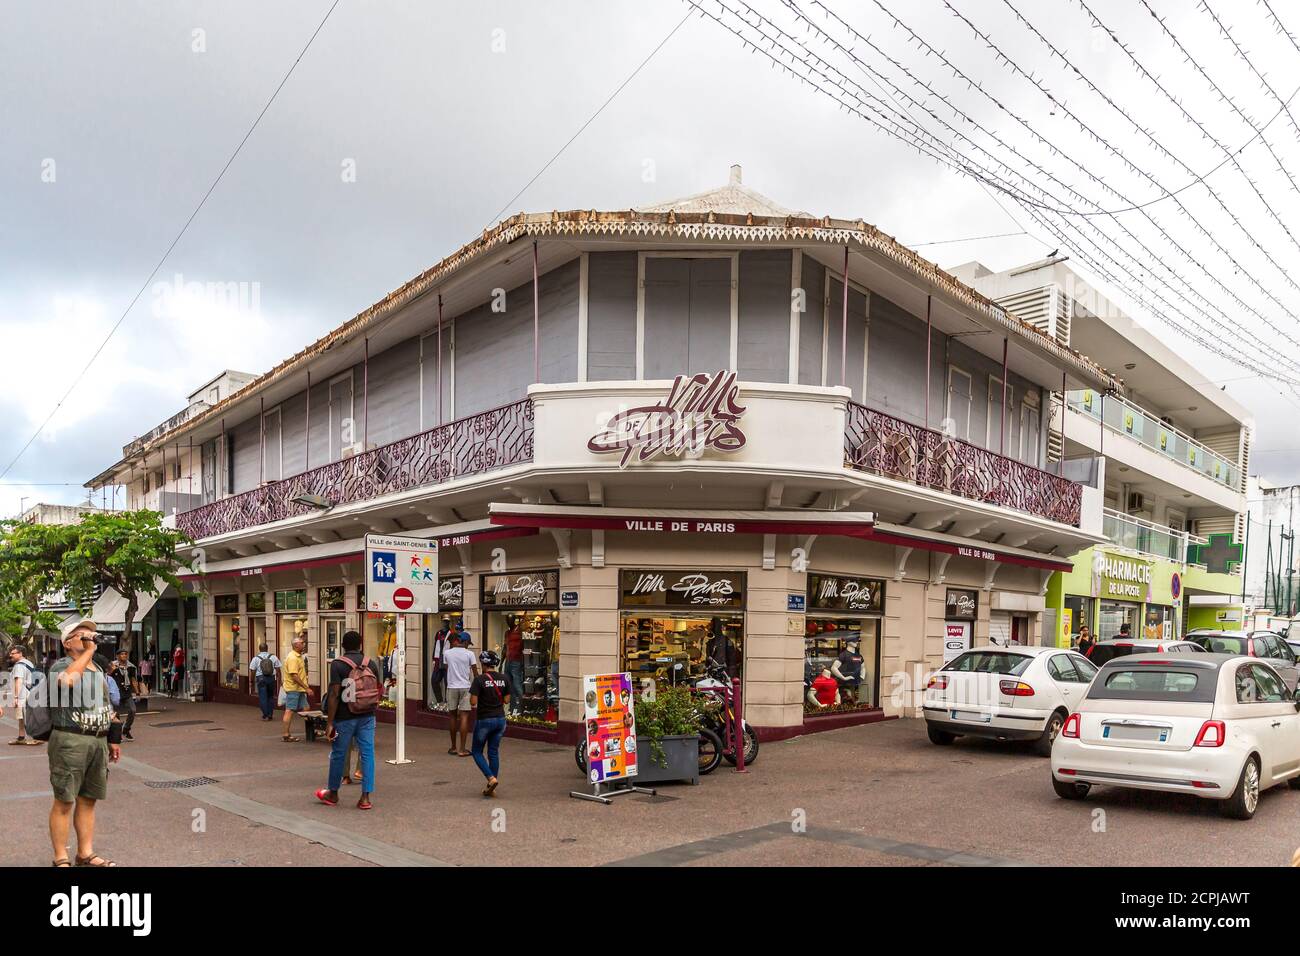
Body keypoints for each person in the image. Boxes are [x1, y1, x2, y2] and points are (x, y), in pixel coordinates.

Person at [47, 618, 119, 867]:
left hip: (96, 740)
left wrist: (113, 738)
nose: (90, 638)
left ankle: (85, 854)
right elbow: (68, 682)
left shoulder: (97, 670)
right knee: (65, 800)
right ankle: (60, 857)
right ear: (68, 643)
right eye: (83, 635)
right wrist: (89, 652)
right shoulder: (60, 666)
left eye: (92, 634)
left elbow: (106, 705)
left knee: (89, 800)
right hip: (70, 739)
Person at [315, 630, 380, 810]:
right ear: (360, 644)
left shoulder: (338, 665)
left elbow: (335, 694)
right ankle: (365, 797)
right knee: (367, 754)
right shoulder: (371, 664)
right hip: (367, 715)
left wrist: (329, 722)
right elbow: (377, 688)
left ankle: (333, 793)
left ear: (343, 645)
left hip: (345, 717)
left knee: (339, 753)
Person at [469, 649, 509, 797]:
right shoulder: (504, 678)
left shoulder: (479, 680)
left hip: (484, 720)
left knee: (477, 751)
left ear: (484, 664)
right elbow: (506, 700)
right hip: (500, 720)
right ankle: (493, 783)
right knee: (493, 751)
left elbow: (473, 702)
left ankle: (491, 778)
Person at [443, 631, 478, 757]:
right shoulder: (470, 654)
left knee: (452, 716)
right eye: (469, 643)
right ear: (466, 642)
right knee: (464, 717)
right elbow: (475, 673)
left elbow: (446, 668)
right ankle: (462, 749)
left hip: (452, 687)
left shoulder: (447, 653)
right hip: (466, 687)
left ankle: (453, 747)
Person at [7, 645, 42, 745]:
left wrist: (16, 697)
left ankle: (38, 737)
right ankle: (21, 737)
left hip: (23, 694)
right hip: (30, 692)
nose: (10, 655)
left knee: (29, 717)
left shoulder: (19, 666)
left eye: (13, 653)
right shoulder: (28, 663)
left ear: (20, 653)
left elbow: (19, 680)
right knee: (21, 717)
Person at [281, 637, 310, 742]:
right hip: (294, 688)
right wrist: (306, 688)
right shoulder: (293, 658)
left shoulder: (299, 656)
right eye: (302, 643)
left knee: (306, 708)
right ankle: (286, 734)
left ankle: (310, 730)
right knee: (289, 710)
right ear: (296, 645)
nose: (304, 644)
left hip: (299, 689)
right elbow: (294, 676)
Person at [108, 649, 138, 741]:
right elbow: (107, 676)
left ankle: (126, 729)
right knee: (116, 714)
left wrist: (137, 692)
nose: (124, 656)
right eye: (122, 654)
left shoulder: (131, 667)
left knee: (132, 710)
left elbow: (133, 680)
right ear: (117, 656)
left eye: (125, 654)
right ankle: (117, 733)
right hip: (115, 692)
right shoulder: (112, 666)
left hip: (127, 692)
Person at [249, 642, 281, 721]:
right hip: (271, 679)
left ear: (259, 649)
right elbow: (278, 670)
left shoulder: (255, 658)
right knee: (270, 696)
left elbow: (252, 671)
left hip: (261, 679)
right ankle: (270, 714)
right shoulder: (273, 657)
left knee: (263, 697)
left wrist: (251, 681)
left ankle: (265, 714)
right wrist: (279, 680)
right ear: (267, 649)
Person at [502, 615, 524, 717]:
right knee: (509, 686)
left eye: (510, 620)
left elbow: (524, 646)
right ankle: (512, 708)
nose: (508, 622)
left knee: (517, 685)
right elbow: (505, 647)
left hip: (516, 661)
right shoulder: (507, 633)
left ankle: (522, 708)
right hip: (508, 661)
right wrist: (501, 662)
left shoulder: (519, 630)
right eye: (507, 620)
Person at [429, 619, 450, 710]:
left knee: (447, 682)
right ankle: (440, 701)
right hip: (438, 661)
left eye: (446, 622)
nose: (444, 624)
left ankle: (447, 702)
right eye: (443, 622)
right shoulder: (438, 633)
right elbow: (435, 645)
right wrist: (434, 658)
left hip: (447, 661)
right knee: (434, 680)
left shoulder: (451, 633)